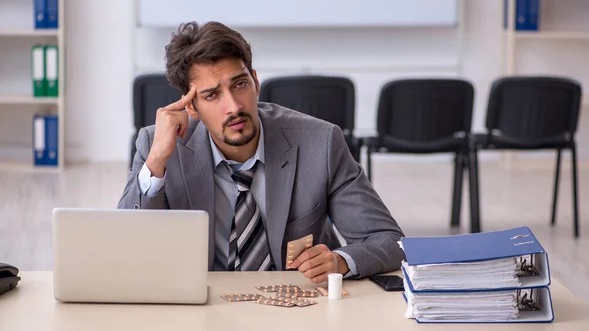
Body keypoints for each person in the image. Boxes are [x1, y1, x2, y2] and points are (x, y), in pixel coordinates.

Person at [118, 21, 405, 283]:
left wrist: (341, 260)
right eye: (211, 95)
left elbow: (390, 241)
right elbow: (125, 247)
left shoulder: (321, 142)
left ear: (255, 82)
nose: (233, 107)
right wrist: (156, 161)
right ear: (191, 107)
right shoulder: (159, 146)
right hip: (202, 305)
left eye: (239, 84)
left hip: (296, 307)